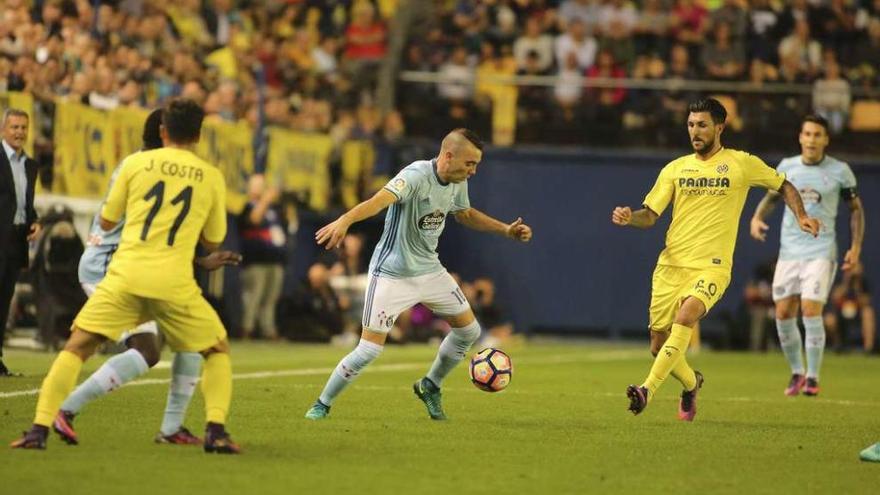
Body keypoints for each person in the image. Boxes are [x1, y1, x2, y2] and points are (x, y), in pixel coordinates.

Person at [11, 99, 241, 453]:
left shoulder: (133, 165)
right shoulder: (210, 175)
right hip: (160, 276)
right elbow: (212, 239)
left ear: (164, 131)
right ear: (198, 135)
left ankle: (39, 428)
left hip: (126, 271)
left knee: (79, 347)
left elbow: (106, 220)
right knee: (214, 347)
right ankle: (216, 430)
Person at [611, 98, 819, 421]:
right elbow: (650, 215)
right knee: (658, 345)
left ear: (720, 127)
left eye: (702, 125)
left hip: (712, 266)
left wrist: (802, 215)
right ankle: (692, 383)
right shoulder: (675, 168)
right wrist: (630, 217)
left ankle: (646, 390)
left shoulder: (740, 163)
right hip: (671, 265)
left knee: (686, 317)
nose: (695, 131)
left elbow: (784, 185)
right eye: (691, 124)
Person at [304, 128, 532, 420]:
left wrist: (505, 229)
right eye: (470, 163)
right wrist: (345, 220)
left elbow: (464, 213)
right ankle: (322, 404)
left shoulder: (456, 180)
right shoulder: (414, 176)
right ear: (448, 156)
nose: (473, 171)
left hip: (429, 270)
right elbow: (378, 201)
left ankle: (430, 384)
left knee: (469, 332)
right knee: (368, 351)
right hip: (391, 274)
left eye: (476, 165)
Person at [750, 115, 863, 397]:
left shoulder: (840, 171)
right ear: (800, 137)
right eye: (808, 134)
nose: (812, 139)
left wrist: (856, 246)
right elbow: (772, 197)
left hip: (821, 250)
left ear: (826, 139)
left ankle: (813, 377)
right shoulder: (787, 167)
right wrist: (756, 218)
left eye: (817, 135)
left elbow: (856, 211)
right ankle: (797, 372)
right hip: (789, 252)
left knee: (811, 310)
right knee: (783, 312)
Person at [0, 108, 41, 376]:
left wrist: (34, 220)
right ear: (3, 129)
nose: (19, 132)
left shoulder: (30, 164)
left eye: (23, 127)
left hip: (16, 239)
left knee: (4, 300)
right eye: (14, 127)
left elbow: (25, 202)